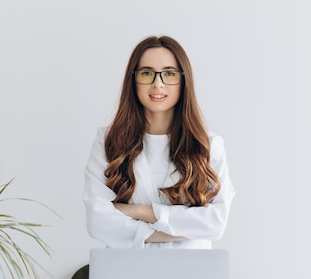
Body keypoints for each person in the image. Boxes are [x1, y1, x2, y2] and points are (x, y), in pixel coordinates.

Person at [83, 36, 235, 249]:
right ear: (133, 80)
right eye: (146, 73)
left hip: (193, 274)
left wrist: (139, 212)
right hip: (127, 273)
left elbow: (215, 223)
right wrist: (183, 230)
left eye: (169, 74)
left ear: (183, 81)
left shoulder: (208, 145)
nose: (158, 83)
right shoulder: (108, 142)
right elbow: (99, 223)